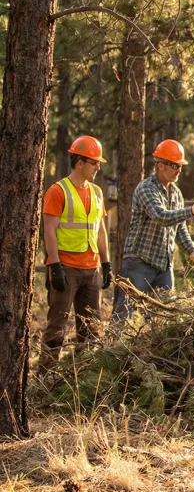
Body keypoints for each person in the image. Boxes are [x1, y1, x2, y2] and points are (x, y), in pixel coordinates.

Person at [113, 139, 194, 322]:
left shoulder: (176, 193)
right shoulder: (146, 188)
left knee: (164, 317)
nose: (179, 169)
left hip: (164, 266)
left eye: (180, 165)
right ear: (161, 166)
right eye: (174, 165)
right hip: (140, 262)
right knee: (125, 313)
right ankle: (112, 347)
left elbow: (179, 228)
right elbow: (161, 217)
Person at [40, 135, 111, 372]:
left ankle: (85, 378)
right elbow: (49, 231)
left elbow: (100, 231)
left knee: (91, 329)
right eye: (93, 162)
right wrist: (55, 265)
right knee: (57, 328)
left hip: (91, 270)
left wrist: (107, 263)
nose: (98, 167)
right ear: (79, 162)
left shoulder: (97, 192)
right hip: (66, 269)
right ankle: (45, 380)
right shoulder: (57, 191)